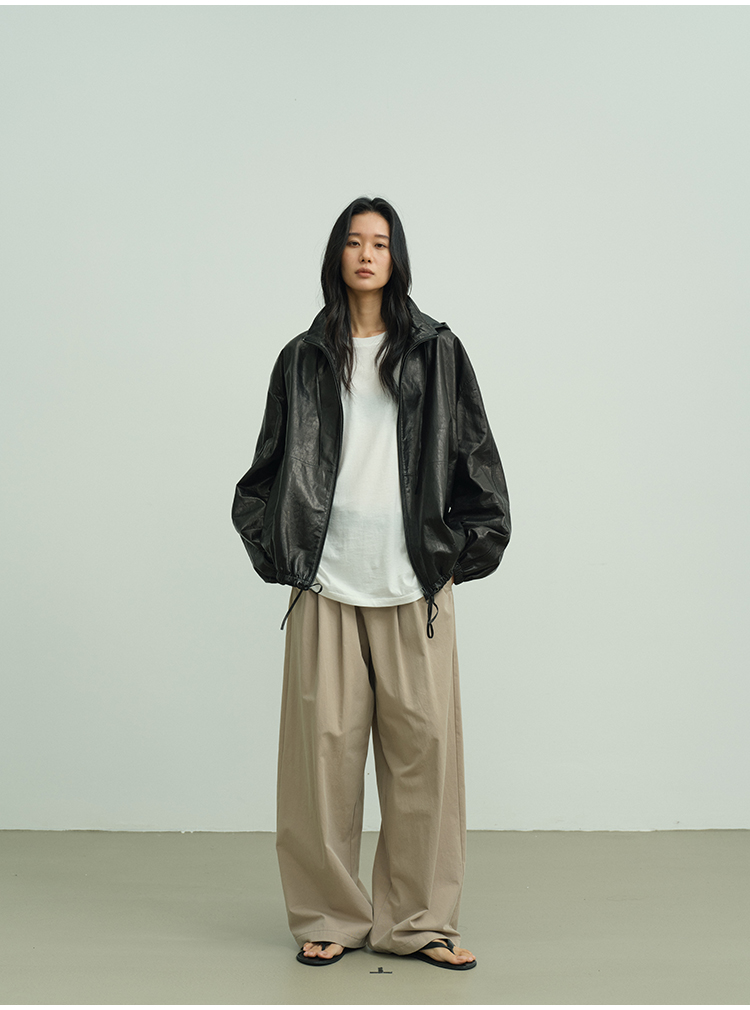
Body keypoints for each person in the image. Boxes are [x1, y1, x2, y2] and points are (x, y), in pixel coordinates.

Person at [232, 196, 510, 970]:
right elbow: (264, 474)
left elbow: (477, 462)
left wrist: (452, 557)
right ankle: (329, 916)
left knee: (426, 760)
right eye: (354, 242)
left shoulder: (436, 350)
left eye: (379, 243)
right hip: (325, 586)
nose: (365, 254)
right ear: (337, 255)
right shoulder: (302, 358)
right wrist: (282, 554)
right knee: (320, 765)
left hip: (413, 588)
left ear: (396, 258)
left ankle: (420, 922)